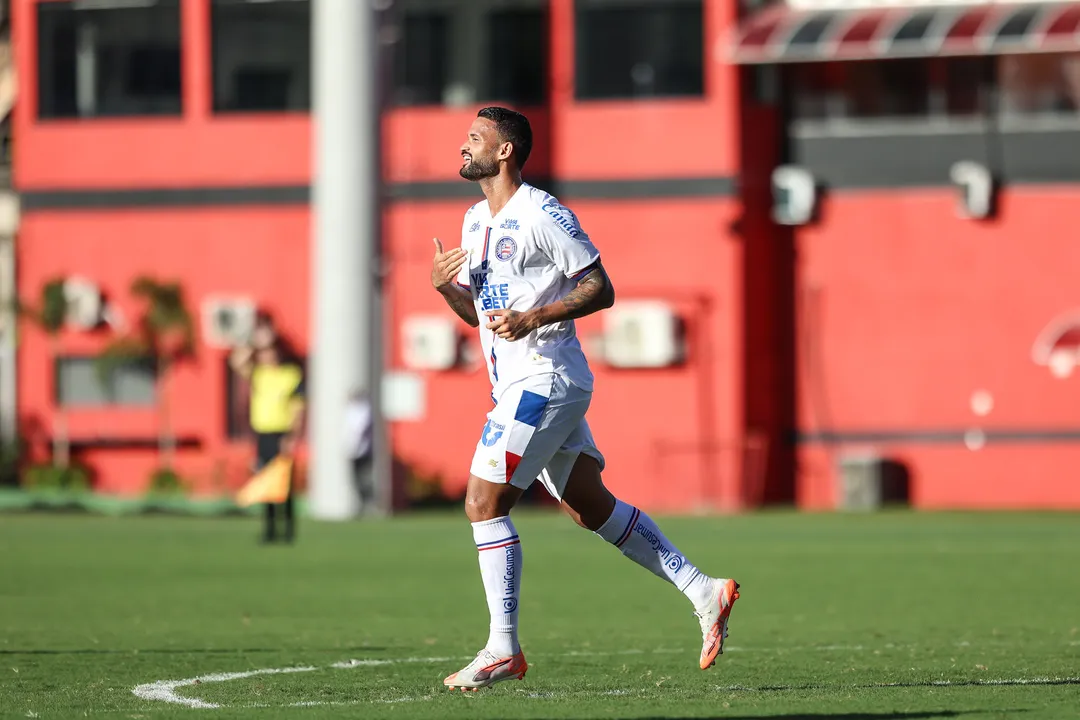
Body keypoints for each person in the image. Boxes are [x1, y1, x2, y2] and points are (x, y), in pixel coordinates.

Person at [431, 107, 740, 691]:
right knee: (587, 507)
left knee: (482, 502)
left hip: (544, 378)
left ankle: (503, 648)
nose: (463, 145)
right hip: (519, 384)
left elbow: (601, 286)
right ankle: (705, 590)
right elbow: (480, 315)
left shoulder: (543, 212)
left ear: (505, 152)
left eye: (476, 137)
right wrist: (446, 289)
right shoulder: (474, 221)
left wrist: (538, 315)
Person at [229, 317, 305, 544]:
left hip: (283, 434)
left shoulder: (290, 375)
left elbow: (298, 408)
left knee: (285, 485)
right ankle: (270, 530)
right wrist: (254, 342)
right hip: (263, 434)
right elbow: (236, 361)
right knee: (266, 483)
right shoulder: (259, 376)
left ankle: (288, 531)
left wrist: (293, 436)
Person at [343, 388, 375, 513]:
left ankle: (368, 504)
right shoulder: (350, 410)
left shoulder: (364, 410)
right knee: (355, 479)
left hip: (363, 450)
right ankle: (360, 505)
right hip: (353, 451)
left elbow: (359, 430)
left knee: (364, 478)